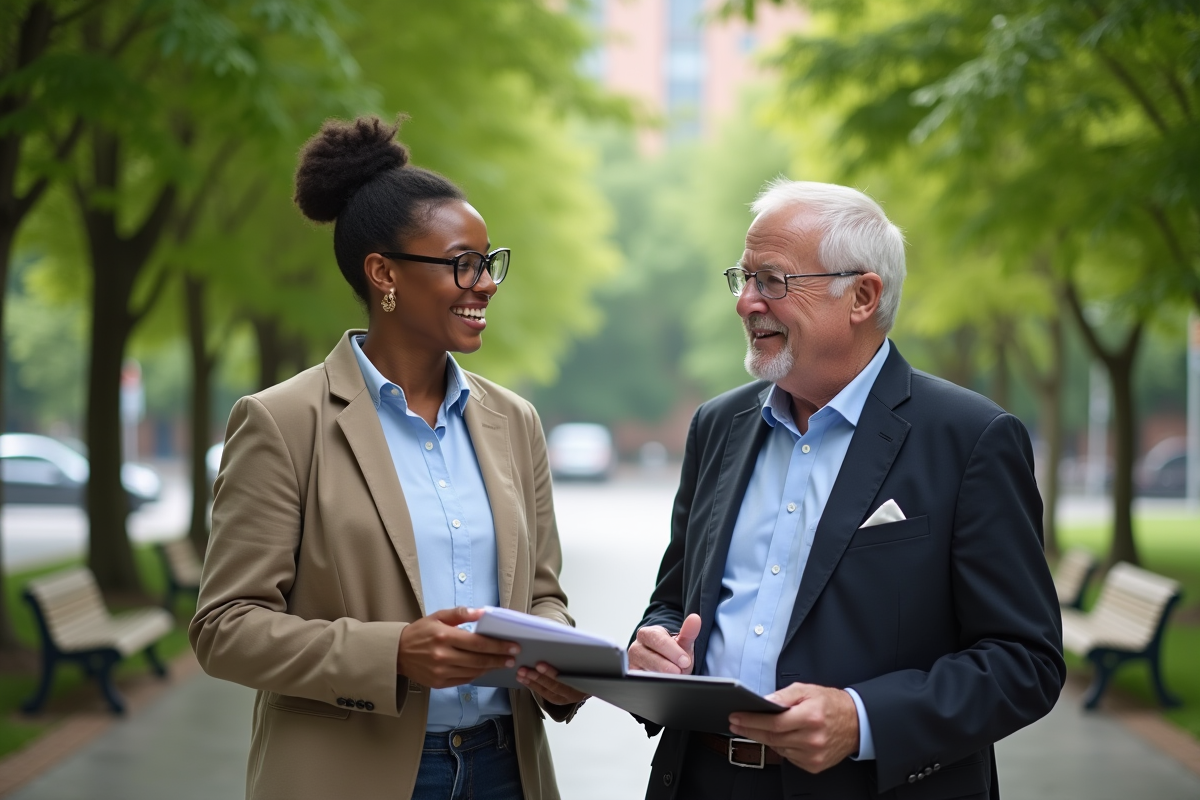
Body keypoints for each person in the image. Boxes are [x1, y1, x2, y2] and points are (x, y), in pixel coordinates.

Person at [190, 115, 585, 800]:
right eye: (462, 263)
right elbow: (226, 628)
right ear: (383, 274)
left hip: (506, 768)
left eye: (489, 262)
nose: (485, 282)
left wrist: (557, 656)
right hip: (347, 771)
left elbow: (543, 594)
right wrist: (394, 652)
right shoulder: (282, 423)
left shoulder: (514, 421)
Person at [627, 180, 1064, 800]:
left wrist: (862, 719)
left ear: (862, 295)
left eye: (772, 281)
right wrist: (656, 648)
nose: (746, 303)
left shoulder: (971, 437)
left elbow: (1026, 663)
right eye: (743, 279)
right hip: (700, 778)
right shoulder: (718, 425)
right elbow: (674, 600)